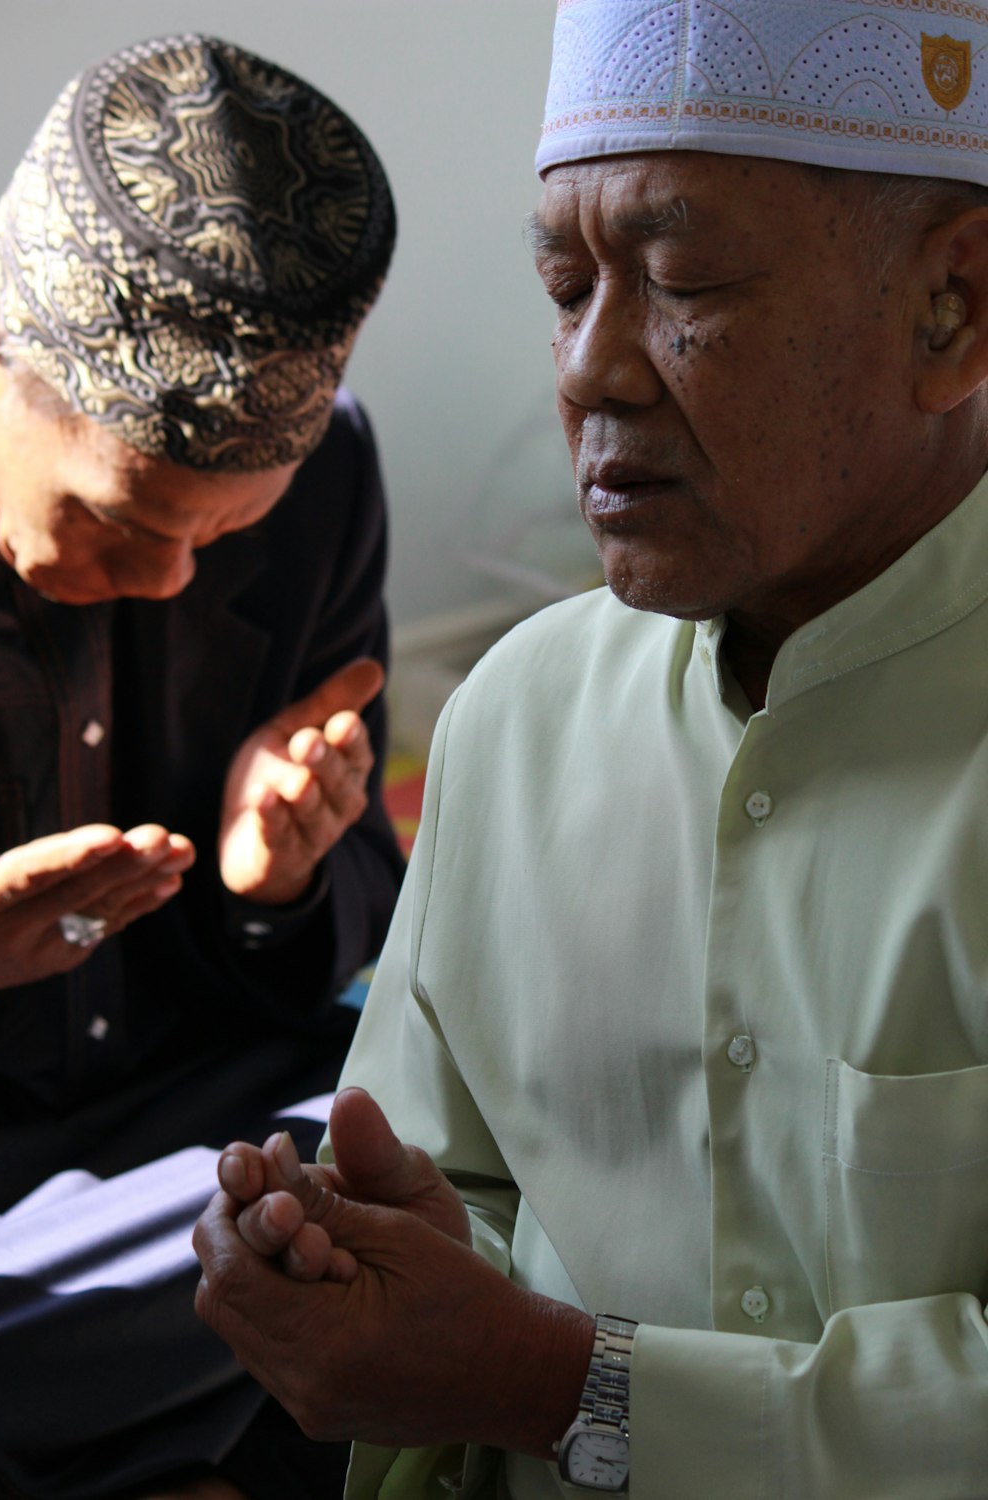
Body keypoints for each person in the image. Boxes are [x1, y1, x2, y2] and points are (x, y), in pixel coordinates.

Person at [193, 3, 988, 1496]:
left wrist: (563, 1384)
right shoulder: (518, 719)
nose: (593, 372)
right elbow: (476, 1192)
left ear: (953, 306)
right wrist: (396, 1271)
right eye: (569, 286)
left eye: (682, 284)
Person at [0, 32, 404, 1500]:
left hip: (204, 1122)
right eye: (119, 518)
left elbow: (360, 922)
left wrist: (273, 881)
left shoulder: (330, 488)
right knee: (328, 1282)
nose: (167, 580)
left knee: (443, 1143)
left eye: (221, 536)